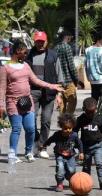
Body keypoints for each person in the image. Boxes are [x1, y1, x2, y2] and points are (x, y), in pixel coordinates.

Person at [0, 41, 63, 163]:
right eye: (24, 52)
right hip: (13, 102)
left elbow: (36, 80)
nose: (26, 54)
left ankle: (28, 152)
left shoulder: (25, 66)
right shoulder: (5, 68)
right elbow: (2, 88)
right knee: (16, 129)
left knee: (30, 129)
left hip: (27, 101)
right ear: (18, 51)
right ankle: (12, 154)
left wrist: (52, 86)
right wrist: (1, 105)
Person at [26, 31, 62, 159]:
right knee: (31, 119)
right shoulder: (28, 55)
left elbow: (59, 75)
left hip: (50, 92)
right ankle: (36, 141)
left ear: (46, 42)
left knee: (46, 120)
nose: (40, 44)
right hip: (33, 91)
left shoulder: (53, 55)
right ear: (34, 42)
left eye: (42, 41)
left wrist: (59, 95)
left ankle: (43, 147)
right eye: (37, 41)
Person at [74, 97, 102, 189]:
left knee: (99, 163)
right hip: (85, 147)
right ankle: (85, 182)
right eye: (88, 112)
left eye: (92, 112)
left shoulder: (99, 119)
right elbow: (74, 131)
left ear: (96, 109)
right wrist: (75, 144)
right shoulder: (81, 119)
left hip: (98, 145)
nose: (90, 114)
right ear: (84, 109)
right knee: (86, 166)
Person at [41, 113, 84, 192]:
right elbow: (50, 140)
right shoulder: (57, 135)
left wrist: (81, 152)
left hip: (70, 155)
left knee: (71, 170)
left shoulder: (74, 135)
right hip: (59, 155)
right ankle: (60, 183)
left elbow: (79, 143)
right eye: (65, 128)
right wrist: (44, 145)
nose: (67, 130)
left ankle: (69, 178)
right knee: (60, 169)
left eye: (69, 128)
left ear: (72, 127)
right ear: (61, 127)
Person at [55, 31, 79, 114]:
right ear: (67, 37)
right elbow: (71, 66)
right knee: (72, 102)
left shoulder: (56, 48)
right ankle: (68, 120)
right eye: (70, 37)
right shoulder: (67, 47)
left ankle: (62, 122)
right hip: (68, 80)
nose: (71, 39)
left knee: (62, 103)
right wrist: (76, 79)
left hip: (59, 80)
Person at [84, 31, 102, 102]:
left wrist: (88, 77)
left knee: (94, 101)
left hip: (92, 80)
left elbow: (86, 66)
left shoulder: (88, 50)